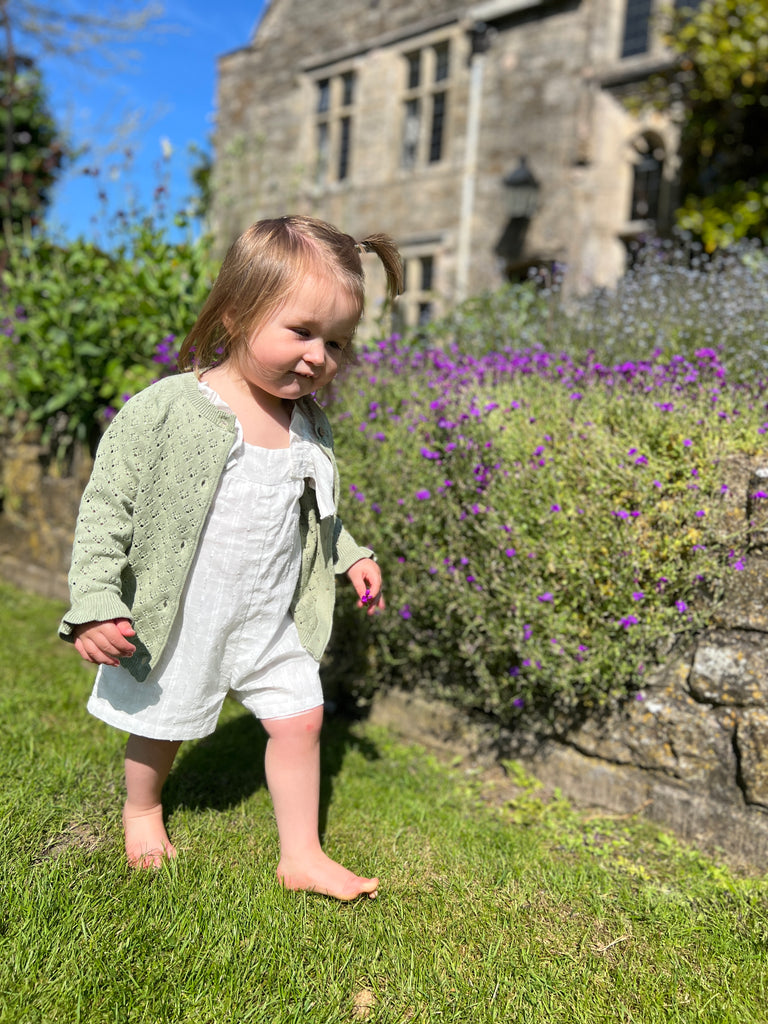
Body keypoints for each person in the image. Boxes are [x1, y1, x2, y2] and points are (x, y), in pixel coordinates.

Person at [59, 215, 402, 900]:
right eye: (301, 332)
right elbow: (105, 511)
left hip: (269, 617)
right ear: (239, 313)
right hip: (186, 611)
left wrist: (350, 555)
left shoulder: (309, 426)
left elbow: (317, 515)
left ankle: (301, 854)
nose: (317, 356)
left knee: (302, 717)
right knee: (163, 722)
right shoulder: (170, 410)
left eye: (335, 342)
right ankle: (143, 807)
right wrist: (95, 602)